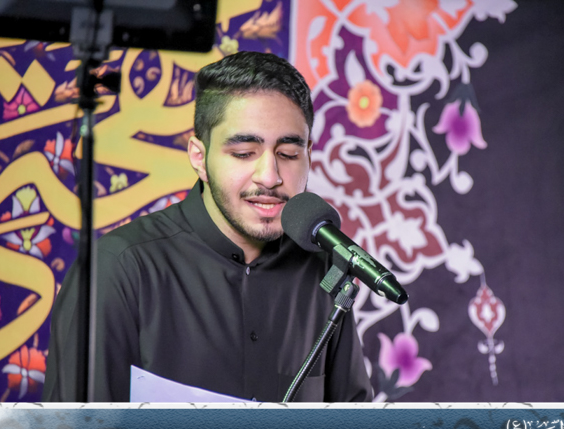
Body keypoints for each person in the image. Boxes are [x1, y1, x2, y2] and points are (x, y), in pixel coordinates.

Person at [42, 51, 373, 402]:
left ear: (308, 154)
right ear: (199, 157)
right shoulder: (118, 268)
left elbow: (350, 423)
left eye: (288, 154)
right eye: (244, 153)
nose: (270, 177)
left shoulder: (324, 268)